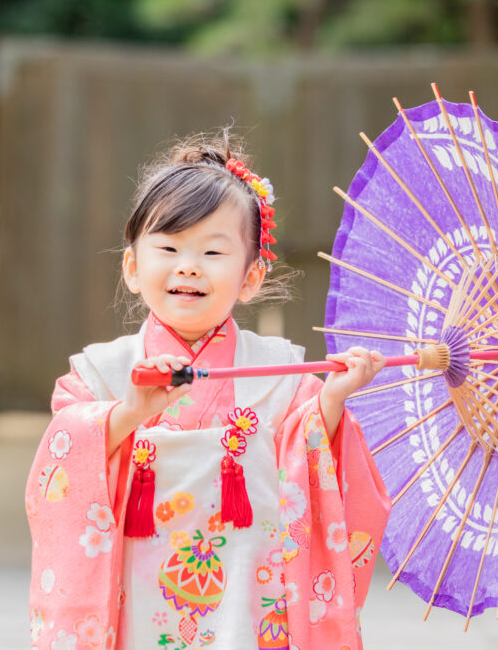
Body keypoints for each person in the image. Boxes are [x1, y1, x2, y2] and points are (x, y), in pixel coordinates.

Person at [25, 132, 391, 650]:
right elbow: (61, 471)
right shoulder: (100, 375)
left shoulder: (281, 376)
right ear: (132, 266)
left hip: (247, 589)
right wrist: (128, 413)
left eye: (213, 251)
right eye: (169, 247)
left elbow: (311, 455)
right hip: (136, 598)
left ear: (250, 277)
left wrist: (331, 400)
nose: (189, 265)